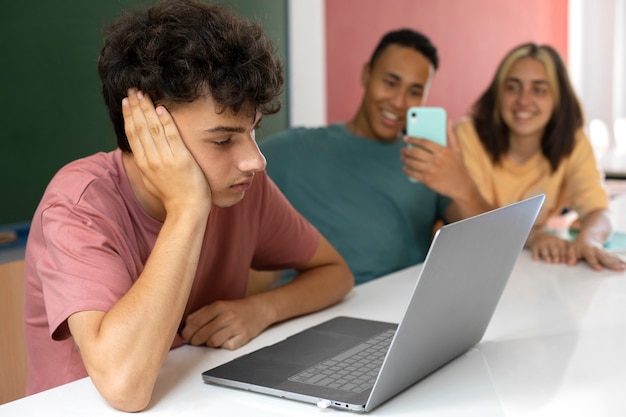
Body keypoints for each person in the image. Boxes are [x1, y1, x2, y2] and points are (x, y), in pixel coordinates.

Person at [23, 0, 353, 412]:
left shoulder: (244, 185)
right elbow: (125, 388)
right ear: (146, 131)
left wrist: (262, 309)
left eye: (253, 130)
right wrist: (186, 208)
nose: (256, 160)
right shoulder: (78, 206)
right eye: (222, 140)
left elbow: (335, 273)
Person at [258, 29, 492, 285]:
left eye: (414, 91)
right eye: (390, 83)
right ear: (367, 74)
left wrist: (465, 188)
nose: (399, 102)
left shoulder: (428, 162)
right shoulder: (296, 149)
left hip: (398, 306)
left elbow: (491, 245)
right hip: (315, 306)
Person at [455, 42, 626, 272]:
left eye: (539, 89)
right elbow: (468, 217)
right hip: (467, 263)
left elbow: (598, 210)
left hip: (526, 268)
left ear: (558, 99)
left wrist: (589, 239)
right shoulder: (466, 136)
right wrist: (532, 237)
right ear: (498, 94)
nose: (523, 101)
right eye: (513, 87)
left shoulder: (573, 143)